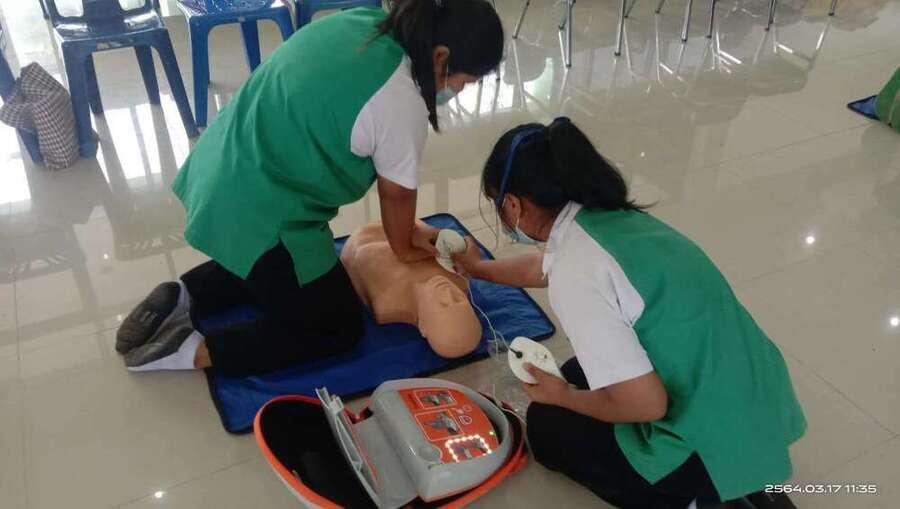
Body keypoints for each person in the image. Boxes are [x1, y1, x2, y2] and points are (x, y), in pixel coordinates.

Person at [114, 0, 504, 375]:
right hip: (261, 207)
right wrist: (417, 247)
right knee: (335, 324)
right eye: (463, 82)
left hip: (221, 163)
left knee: (284, 270)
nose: (458, 92)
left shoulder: (360, 22)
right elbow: (398, 215)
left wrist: (420, 238)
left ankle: (184, 294)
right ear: (440, 56)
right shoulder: (402, 101)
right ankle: (191, 351)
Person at [452, 118, 806, 508]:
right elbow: (544, 268)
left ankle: (696, 495)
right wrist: (479, 268)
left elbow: (647, 405)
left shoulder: (576, 271)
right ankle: (746, 481)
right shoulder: (611, 220)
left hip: (702, 436)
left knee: (547, 424)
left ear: (513, 204)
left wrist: (564, 396)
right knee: (576, 371)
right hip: (755, 399)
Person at [340, 221, 482, 358]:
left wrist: (405, 243)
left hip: (367, 237)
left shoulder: (385, 301)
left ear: (423, 327)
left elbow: (361, 254)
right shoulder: (460, 278)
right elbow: (463, 242)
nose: (448, 293)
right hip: (408, 226)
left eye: (444, 305)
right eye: (459, 300)